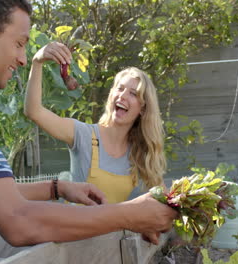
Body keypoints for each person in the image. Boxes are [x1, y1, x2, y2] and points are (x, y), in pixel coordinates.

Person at [0, 1, 177, 263]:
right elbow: (18, 222)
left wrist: (58, 189)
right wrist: (132, 215)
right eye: (19, 43)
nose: (23, 58)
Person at [24, 43, 167, 204]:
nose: (123, 96)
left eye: (133, 94)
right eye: (119, 89)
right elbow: (33, 111)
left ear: (142, 108)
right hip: (72, 228)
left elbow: (163, 199)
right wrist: (37, 62)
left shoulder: (139, 153)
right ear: (111, 95)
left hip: (113, 229)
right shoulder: (82, 134)